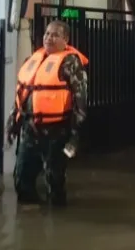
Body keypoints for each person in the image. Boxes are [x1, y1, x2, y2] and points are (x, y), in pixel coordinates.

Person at [7, 20, 88, 206]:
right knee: (21, 178)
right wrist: (12, 123)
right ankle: (29, 225)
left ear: (65, 39)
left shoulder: (71, 63)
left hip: (56, 132)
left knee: (55, 181)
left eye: (55, 35)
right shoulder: (33, 60)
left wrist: (75, 138)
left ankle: (57, 225)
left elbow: (81, 103)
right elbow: (21, 95)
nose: (49, 38)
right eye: (46, 34)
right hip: (30, 130)